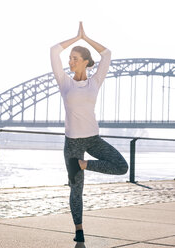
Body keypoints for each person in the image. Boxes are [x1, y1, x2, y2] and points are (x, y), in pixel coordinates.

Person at [50, 22, 128, 244]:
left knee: (121, 166)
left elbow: (107, 54)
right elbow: (54, 51)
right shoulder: (64, 82)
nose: (70, 61)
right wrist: (76, 38)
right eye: (70, 58)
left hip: (93, 139)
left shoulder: (95, 81)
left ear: (85, 62)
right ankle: (79, 230)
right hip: (73, 143)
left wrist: (87, 38)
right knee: (76, 190)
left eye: (75, 58)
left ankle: (84, 164)